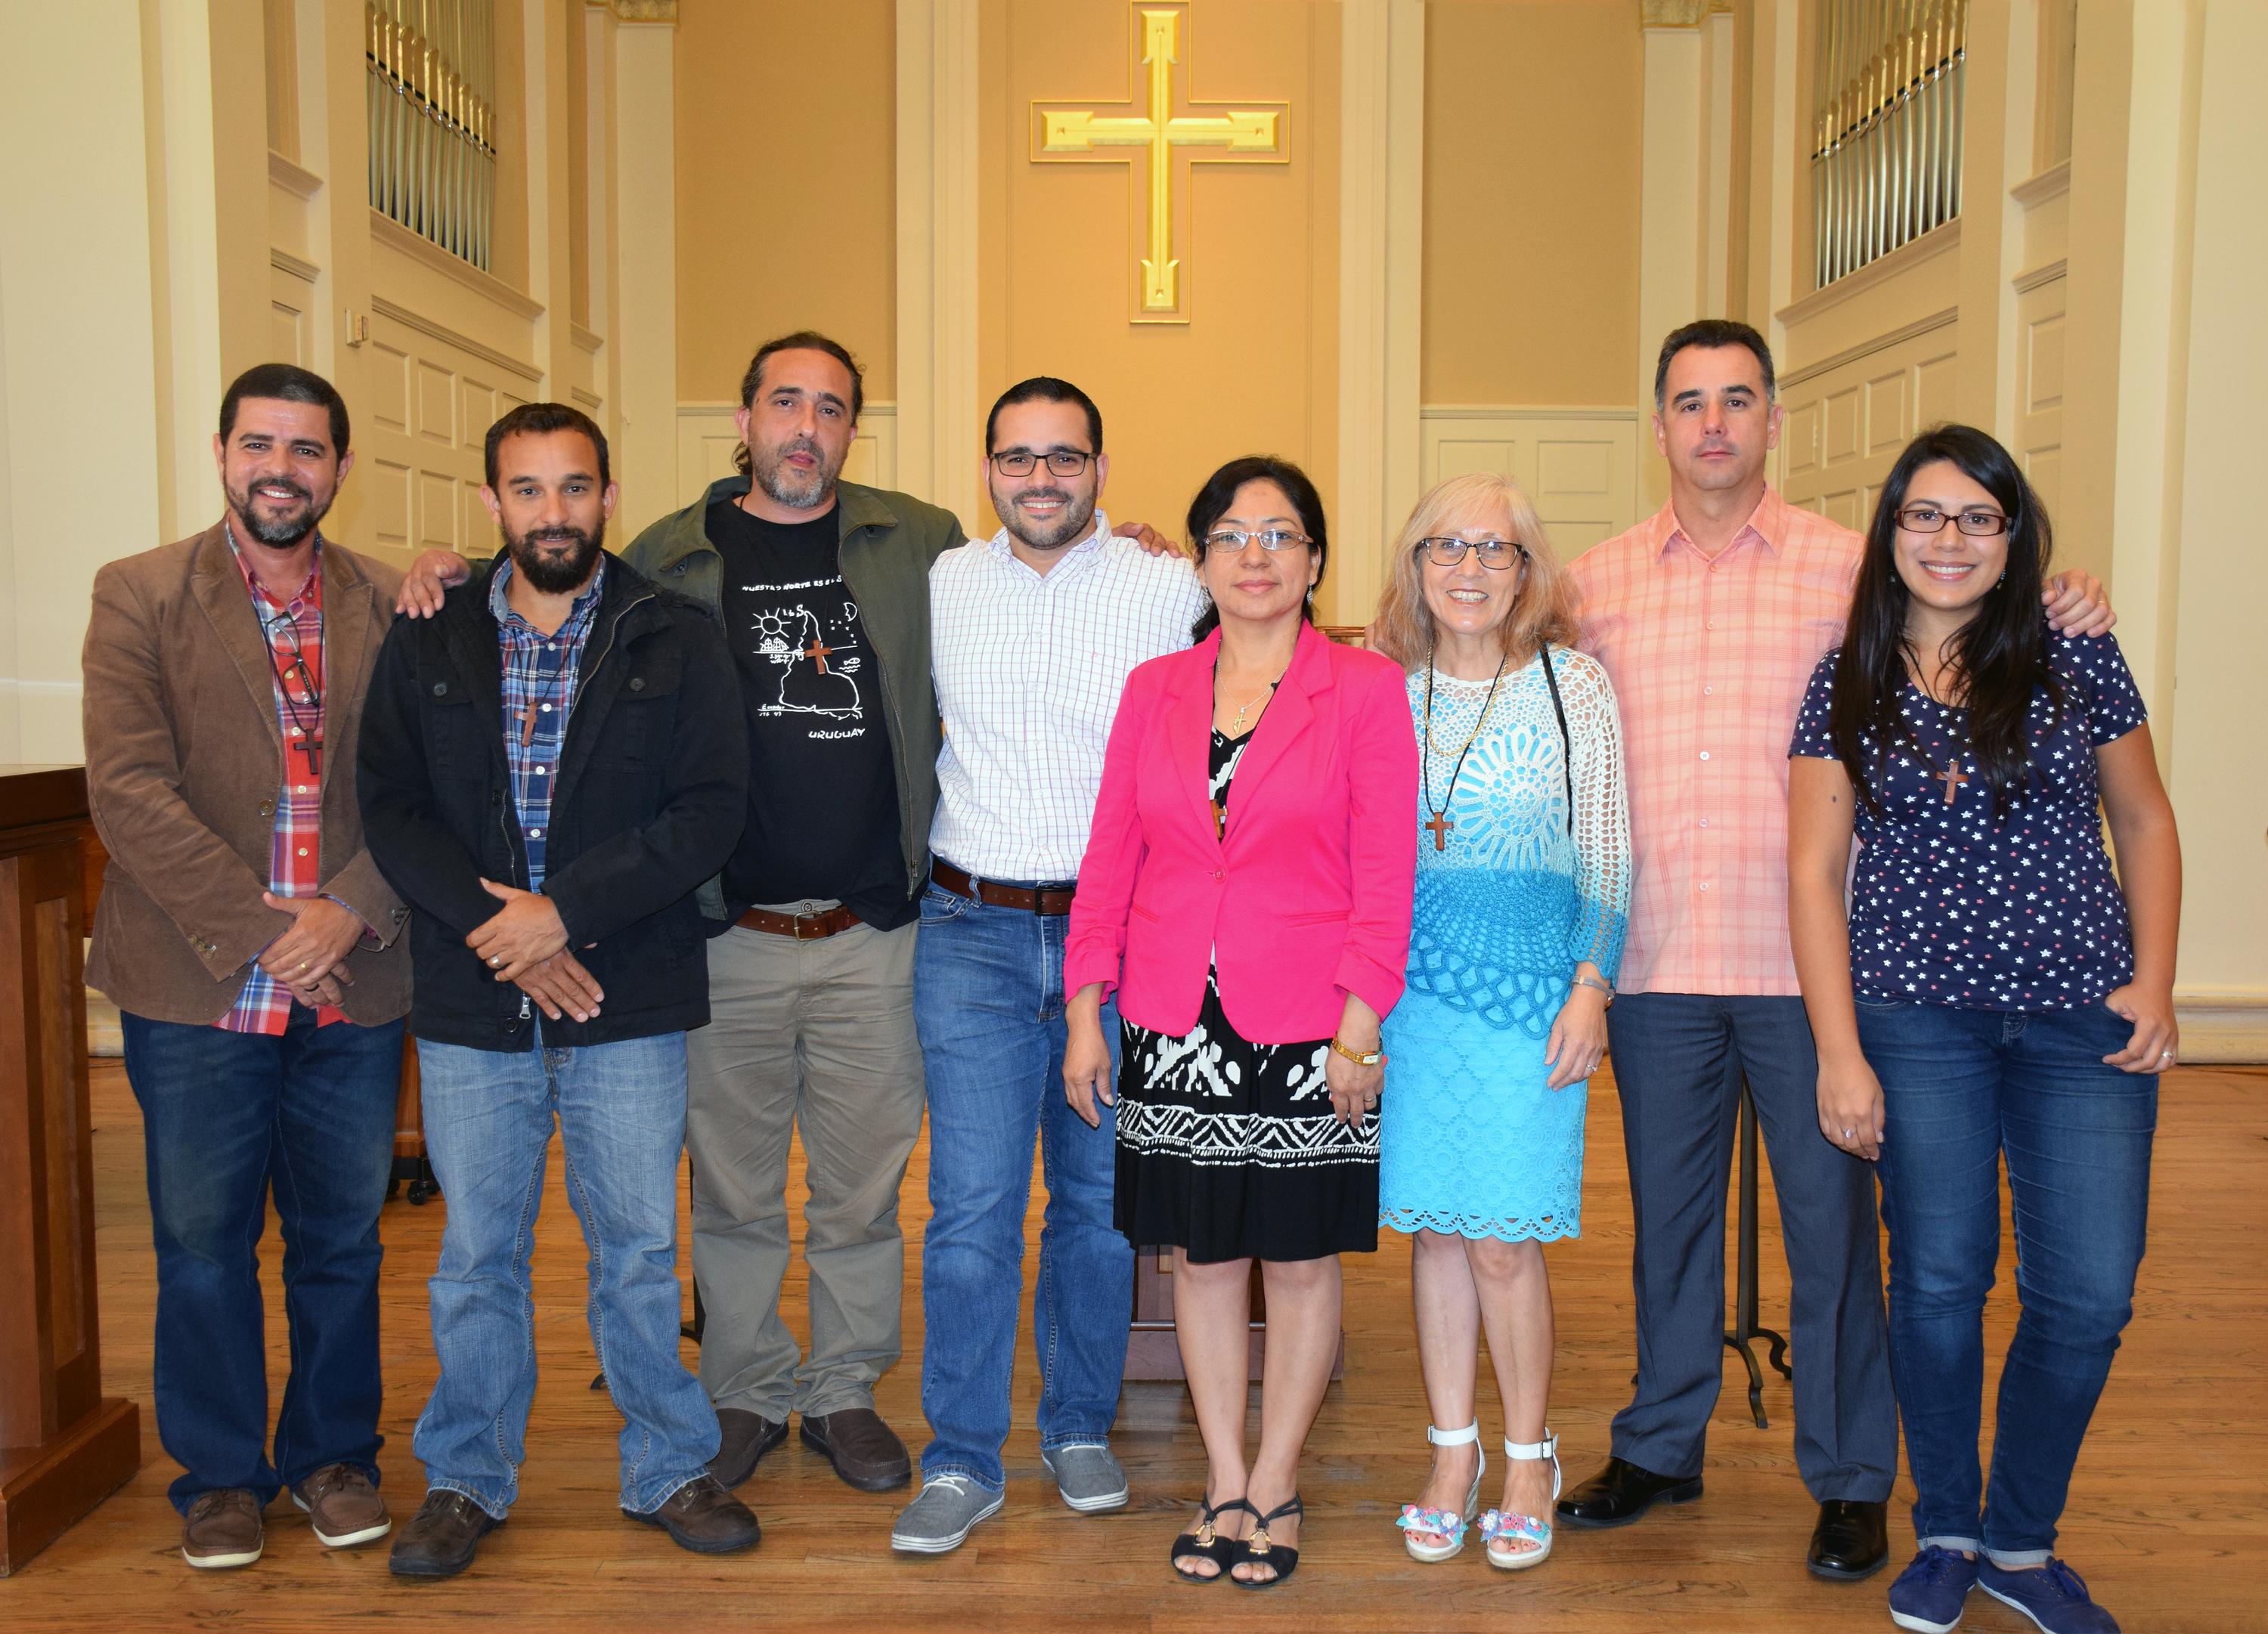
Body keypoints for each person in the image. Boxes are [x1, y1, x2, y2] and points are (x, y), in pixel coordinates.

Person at [1554, 319, 2119, 1583]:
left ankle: (1855, 1477)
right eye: (1689, 402)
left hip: (1815, 964)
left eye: (1738, 399)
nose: (1713, 424)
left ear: (1772, 422)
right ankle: (1660, 1441)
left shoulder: (1856, 569)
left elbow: (1994, 599)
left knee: (1837, 1234)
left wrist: (2074, 593)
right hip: (1653, 962)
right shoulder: (1590, 586)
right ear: (1657, 426)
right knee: (1670, 1229)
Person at [1788, 426, 2179, 1634]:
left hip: (2083, 1024)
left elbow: (2147, 822)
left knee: (2090, 1292)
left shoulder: (2075, 653)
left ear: (2014, 538)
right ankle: (1951, 1528)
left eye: (1977, 517)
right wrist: (1840, 1051)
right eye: (1925, 515)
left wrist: (2156, 983)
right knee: (1941, 1283)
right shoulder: (1844, 676)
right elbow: (1812, 872)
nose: (1948, 539)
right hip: (1918, 1024)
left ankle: (2023, 1537)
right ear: (1889, 532)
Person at [358, 404, 755, 1576]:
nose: (553, 513)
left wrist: (562, 913)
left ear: (608, 494)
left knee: (635, 1247)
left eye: (574, 488)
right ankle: (466, 1476)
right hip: (476, 999)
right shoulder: (429, 636)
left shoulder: (673, 634)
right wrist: (504, 927)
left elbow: (709, 809)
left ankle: (667, 1464)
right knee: (478, 1250)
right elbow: (391, 803)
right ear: (492, 504)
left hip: (624, 991)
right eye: (527, 491)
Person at [1064, 456, 1419, 1586]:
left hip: (1314, 1023)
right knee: (1205, 1260)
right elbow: (1109, 862)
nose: (1254, 554)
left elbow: (1386, 876)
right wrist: (1087, 1012)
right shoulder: (1154, 689)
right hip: (1173, 1022)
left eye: (1279, 534)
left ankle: (1279, 1479)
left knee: (1304, 1262)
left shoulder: (1362, 690)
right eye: (1230, 533)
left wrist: (1361, 1026)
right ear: (1202, 558)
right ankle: (1222, 1479)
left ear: (1315, 560)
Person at [82, 363, 410, 1571]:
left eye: (309, 448)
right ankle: (219, 1474)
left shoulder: (392, 600)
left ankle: (334, 1456)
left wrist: (350, 910)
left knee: (342, 1240)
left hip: (357, 980)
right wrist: (276, 926)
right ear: (222, 454)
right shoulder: (139, 594)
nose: (284, 467)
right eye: (261, 443)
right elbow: (127, 791)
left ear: (339, 467)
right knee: (204, 1242)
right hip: (199, 979)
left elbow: (423, 790)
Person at [892, 379, 1204, 1552]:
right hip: (970, 928)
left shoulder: (1166, 587)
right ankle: (963, 1456)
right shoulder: (942, 583)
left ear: (1102, 468)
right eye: (1016, 459)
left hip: (1119, 937)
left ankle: (1078, 1425)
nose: (1039, 479)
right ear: (986, 471)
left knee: (1096, 1206)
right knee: (969, 1208)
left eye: (1063, 458)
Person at [1367, 472, 1630, 1571]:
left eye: (1495, 549)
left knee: (1504, 1244)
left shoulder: (1574, 686)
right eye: (1445, 546)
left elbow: (1610, 852)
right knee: (1434, 1232)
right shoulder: (1383, 690)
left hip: (1533, 1004)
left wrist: (1592, 986)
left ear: (1528, 570)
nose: (1468, 568)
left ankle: (1529, 1453)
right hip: (1414, 1001)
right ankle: (1451, 1452)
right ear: (1414, 565)